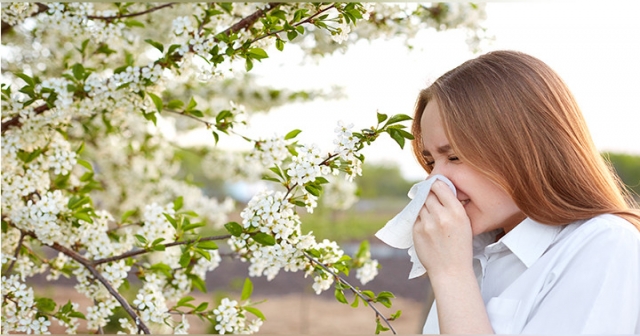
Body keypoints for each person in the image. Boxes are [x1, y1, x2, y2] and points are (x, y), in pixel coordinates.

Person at [410, 50, 640, 334]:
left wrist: (451, 275)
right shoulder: (471, 251)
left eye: (454, 157)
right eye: (431, 162)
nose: (435, 181)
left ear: (523, 148)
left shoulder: (604, 244)